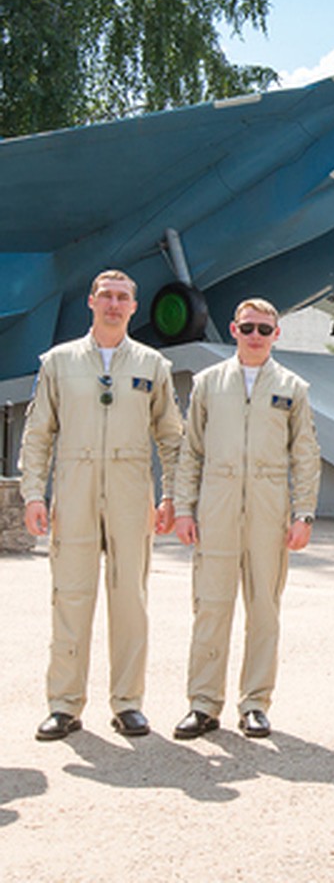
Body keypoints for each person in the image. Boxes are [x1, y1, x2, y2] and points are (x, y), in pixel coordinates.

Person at [20, 269, 182, 741]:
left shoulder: (154, 366)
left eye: (123, 298)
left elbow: (172, 437)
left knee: (130, 598)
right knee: (71, 597)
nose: (114, 305)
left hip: (132, 490)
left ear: (134, 307)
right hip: (75, 486)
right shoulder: (58, 362)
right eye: (106, 296)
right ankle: (65, 705)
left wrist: (173, 494)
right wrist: (35, 493)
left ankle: (128, 702)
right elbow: (38, 435)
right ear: (91, 301)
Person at [172, 299, 320, 739]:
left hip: (269, 507)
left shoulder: (293, 388)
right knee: (211, 609)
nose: (255, 336)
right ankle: (203, 703)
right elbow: (191, 451)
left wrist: (304, 513)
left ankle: (255, 703)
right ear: (233, 330)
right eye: (248, 328)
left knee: (264, 610)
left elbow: (306, 455)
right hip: (217, 504)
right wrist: (184, 508)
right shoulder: (208, 384)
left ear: (277, 335)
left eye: (264, 329)